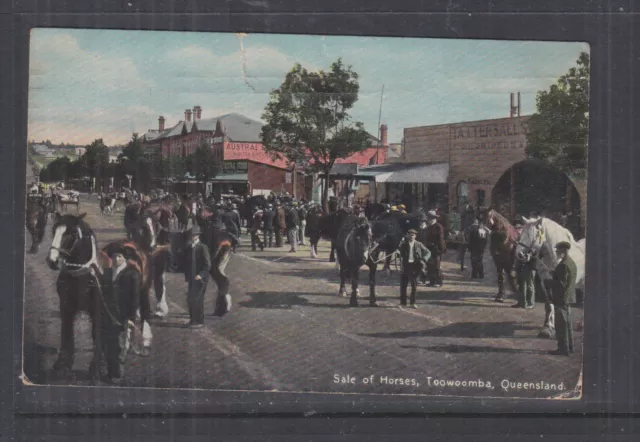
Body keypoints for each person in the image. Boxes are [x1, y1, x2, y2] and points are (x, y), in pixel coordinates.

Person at [99, 244, 141, 384]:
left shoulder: (132, 274)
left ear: (125, 258)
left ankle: (118, 374)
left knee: (120, 345)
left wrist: (131, 318)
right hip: (108, 316)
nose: (116, 259)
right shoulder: (108, 272)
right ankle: (110, 372)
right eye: (114, 256)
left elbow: (134, 299)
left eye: (119, 256)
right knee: (108, 344)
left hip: (122, 317)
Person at [545, 241, 577, 356]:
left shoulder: (563, 264)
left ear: (564, 250)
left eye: (558, 250)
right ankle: (570, 347)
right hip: (568, 298)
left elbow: (561, 284)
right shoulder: (570, 262)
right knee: (567, 324)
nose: (556, 252)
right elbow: (566, 279)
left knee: (561, 325)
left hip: (561, 298)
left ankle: (563, 349)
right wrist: (554, 273)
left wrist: (549, 282)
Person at [183, 225, 211, 328]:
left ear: (198, 236)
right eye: (191, 235)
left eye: (194, 235)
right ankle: (193, 320)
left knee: (198, 299)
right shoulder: (189, 248)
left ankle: (199, 321)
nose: (192, 237)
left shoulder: (202, 247)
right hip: (192, 278)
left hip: (201, 279)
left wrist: (201, 275)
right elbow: (187, 263)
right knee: (190, 298)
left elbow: (207, 264)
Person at [398, 229, 431, 309]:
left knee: (414, 286)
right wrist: (401, 265)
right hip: (406, 266)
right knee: (403, 285)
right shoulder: (403, 244)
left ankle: (412, 303)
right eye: (410, 235)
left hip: (415, 267)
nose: (411, 236)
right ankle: (403, 303)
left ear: (415, 236)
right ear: (407, 235)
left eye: (413, 235)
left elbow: (428, 252)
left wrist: (424, 259)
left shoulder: (419, 244)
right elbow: (400, 256)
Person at [424, 210, 446, 287]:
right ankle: (432, 281)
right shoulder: (428, 227)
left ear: (434, 219)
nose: (429, 220)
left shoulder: (438, 227)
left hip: (436, 249)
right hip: (428, 249)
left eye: (431, 218)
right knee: (429, 266)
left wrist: (441, 250)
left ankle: (439, 282)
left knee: (436, 266)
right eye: (428, 218)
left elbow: (441, 239)